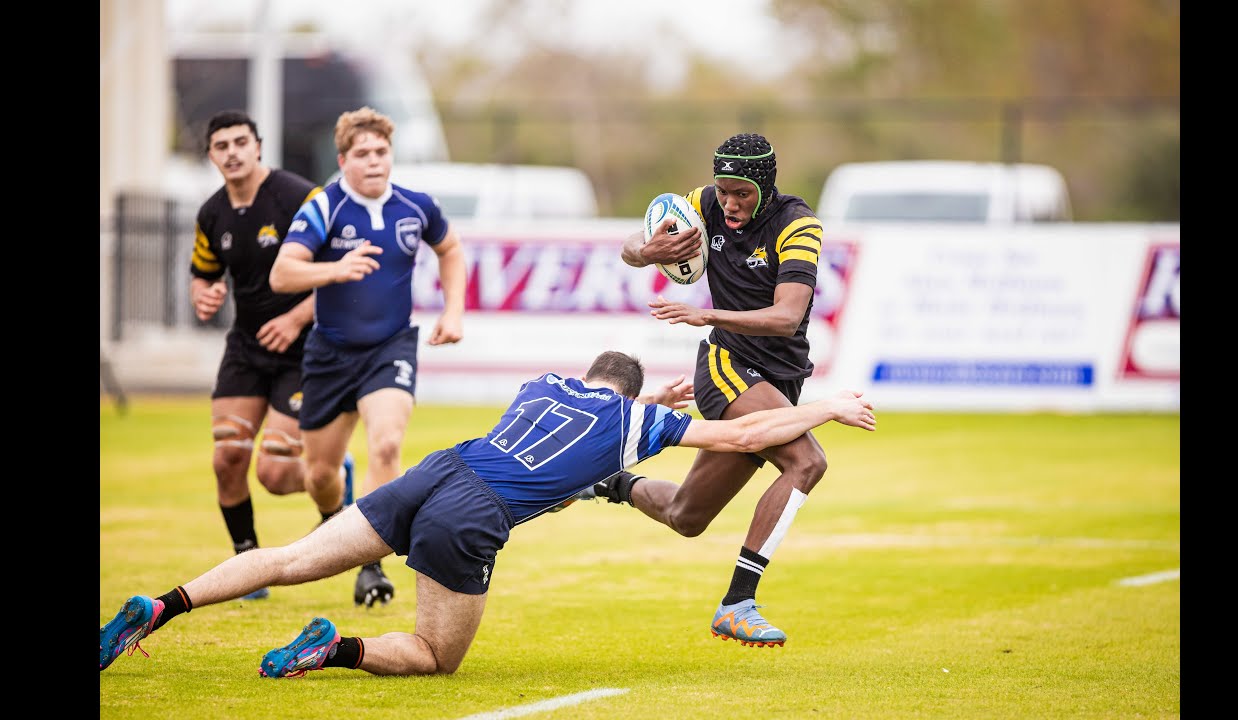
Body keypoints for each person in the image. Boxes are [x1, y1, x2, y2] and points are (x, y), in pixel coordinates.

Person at [100, 351, 876, 676]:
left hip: (439, 469)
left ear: (587, 375)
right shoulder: (636, 425)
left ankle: (162, 605)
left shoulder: (542, 383)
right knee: (438, 657)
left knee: (292, 559)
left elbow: (599, 415)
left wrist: (647, 400)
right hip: (474, 514)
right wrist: (828, 405)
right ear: (633, 392)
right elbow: (744, 433)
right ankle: (334, 648)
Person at [579, 132, 827, 647]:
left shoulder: (797, 225)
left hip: (779, 375)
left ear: (765, 184)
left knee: (686, 516)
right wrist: (646, 251)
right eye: (724, 190)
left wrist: (705, 312)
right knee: (806, 462)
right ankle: (738, 603)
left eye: (742, 193)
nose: (730, 203)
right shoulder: (701, 204)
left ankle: (605, 482)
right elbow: (629, 249)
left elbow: (786, 317)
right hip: (727, 365)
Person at [268, 106, 468, 608]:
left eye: (382, 152)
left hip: (390, 347)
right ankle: (334, 514)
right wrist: (334, 270)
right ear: (343, 159)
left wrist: (454, 310)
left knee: (386, 444)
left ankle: (371, 562)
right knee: (319, 477)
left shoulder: (416, 206)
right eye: (363, 154)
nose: (374, 162)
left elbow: (450, 249)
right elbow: (282, 274)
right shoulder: (324, 207)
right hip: (330, 356)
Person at [189, 109, 356, 601]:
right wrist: (203, 293)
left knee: (276, 474)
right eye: (222, 146)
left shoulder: (299, 196)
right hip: (245, 347)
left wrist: (296, 318)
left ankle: (333, 476)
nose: (233, 152)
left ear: (258, 146)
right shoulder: (211, 213)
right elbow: (204, 272)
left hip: (304, 349)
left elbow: (338, 270)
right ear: (212, 156)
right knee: (226, 459)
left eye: (241, 142)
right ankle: (248, 567)